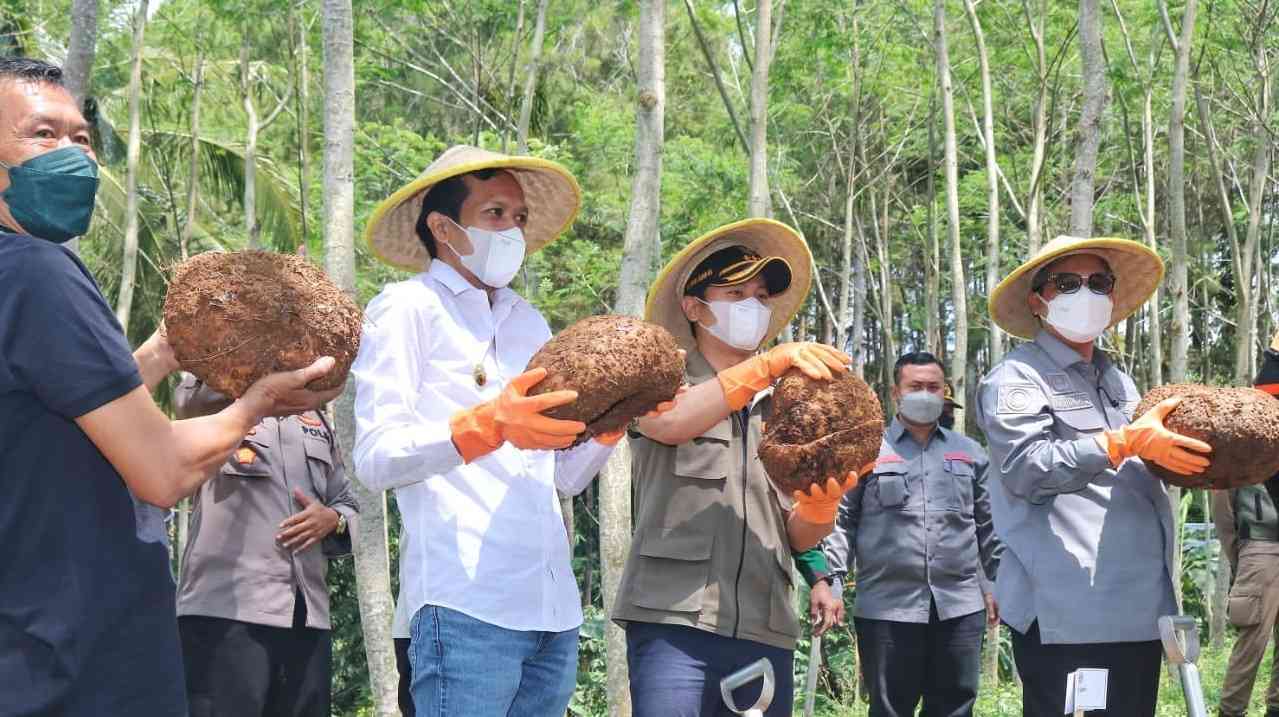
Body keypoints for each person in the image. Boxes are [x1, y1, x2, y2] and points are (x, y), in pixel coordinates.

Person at [0, 57, 341, 716]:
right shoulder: (41, 273)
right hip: (77, 670)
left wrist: (159, 353)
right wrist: (258, 401)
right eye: (43, 134)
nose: (72, 155)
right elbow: (160, 468)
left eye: (81, 139)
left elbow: (63, 421)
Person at [352, 145, 672, 716]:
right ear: (442, 228)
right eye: (495, 214)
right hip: (463, 603)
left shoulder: (529, 321)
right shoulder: (405, 309)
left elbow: (564, 477)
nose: (513, 230)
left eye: (519, 218)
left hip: (553, 610)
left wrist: (613, 421)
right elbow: (376, 457)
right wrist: (488, 424)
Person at [611, 218, 858, 717]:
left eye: (763, 295)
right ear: (695, 307)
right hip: (673, 618)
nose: (755, 305)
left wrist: (821, 505)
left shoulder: (794, 405)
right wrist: (765, 366)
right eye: (737, 292)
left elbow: (800, 536)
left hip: (765, 624)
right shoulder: (661, 378)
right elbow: (670, 424)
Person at [974, 235, 1212, 717]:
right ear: (1038, 300)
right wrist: (1122, 442)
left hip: (1140, 610)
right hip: (1070, 616)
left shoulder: (1119, 382)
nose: (1087, 293)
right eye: (1068, 283)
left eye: (1099, 282)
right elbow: (1026, 469)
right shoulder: (1016, 379)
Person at [823, 351, 1001, 717]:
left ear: (945, 392)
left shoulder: (970, 453)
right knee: (890, 709)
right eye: (915, 386)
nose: (925, 393)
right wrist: (833, 583)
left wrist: (993, 584)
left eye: (933, 387)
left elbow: (988, 525)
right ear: (895, 393)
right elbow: (841, 521)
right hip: (888, 606)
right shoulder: (866, 450)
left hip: (960, 605)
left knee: (955, 707)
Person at [171, 373, 360, 717]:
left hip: (307, 619)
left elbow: (347, 501)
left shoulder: (314, 416)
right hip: (225, 613)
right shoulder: (216, 396)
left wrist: (333, 519)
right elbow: (185, 404)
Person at [1214, 331, 1279, 717]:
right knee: (1251, 643)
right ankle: (1231, 713)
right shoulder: (1248, 434)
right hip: (1261, 543)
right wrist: (1242, 557)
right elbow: (1223, 509)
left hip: (1260, 546)